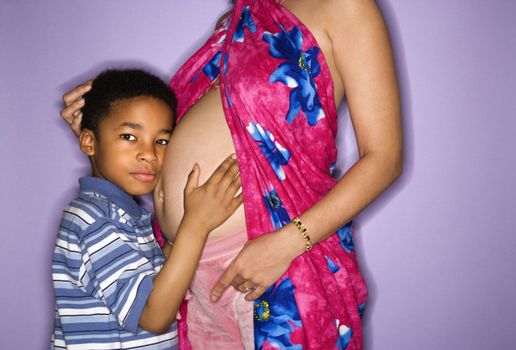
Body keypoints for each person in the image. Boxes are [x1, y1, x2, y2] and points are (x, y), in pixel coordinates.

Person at [61, 0, 403, 348]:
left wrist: (284, 245)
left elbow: (384, 159)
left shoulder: (344, 6)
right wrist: (104, 127)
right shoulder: (236, 21)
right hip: (188, 274)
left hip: (269, 262)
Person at [52, 69, 242, 349]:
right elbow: (152, 316)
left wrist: (184, 235)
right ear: (89, 141)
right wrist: (196, 224)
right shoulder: (93, 219)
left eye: (162, 141)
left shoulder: (123, 214)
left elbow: (151, 280)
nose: (149, 154)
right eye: (129, 136)